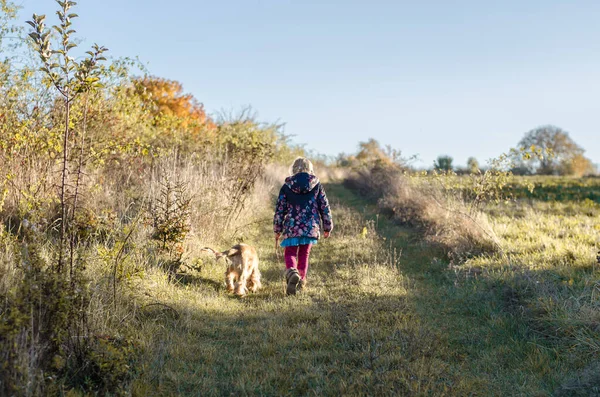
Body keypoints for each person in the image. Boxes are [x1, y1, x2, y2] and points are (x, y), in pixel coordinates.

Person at [273, 157, 333, 295]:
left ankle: (292, 273)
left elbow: (280, 210)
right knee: (304, 254)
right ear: (310, 169)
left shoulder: (287, 186)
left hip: (292, 227)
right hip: (310, 227)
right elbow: (324, 207)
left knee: (290, 253)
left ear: (293, 169)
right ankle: (301, 281)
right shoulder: (316, 185)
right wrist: (327, 226)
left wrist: (277, 229)